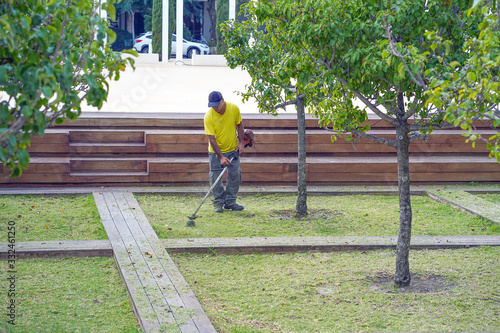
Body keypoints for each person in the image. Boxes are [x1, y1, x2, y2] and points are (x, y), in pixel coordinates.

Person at [204, 91, 245, 213]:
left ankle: (230, 202)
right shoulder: (208, 116)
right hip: (215, 152)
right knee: (215, 177)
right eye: (212, 105)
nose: (215, 108)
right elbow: (211, 138)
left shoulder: (233, 108)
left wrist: (241, 142)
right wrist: (221, 156)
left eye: (217, 105)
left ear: (223, 100)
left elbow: (239, 125)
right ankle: (218, 203)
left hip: (233, 149)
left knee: (235, 176)